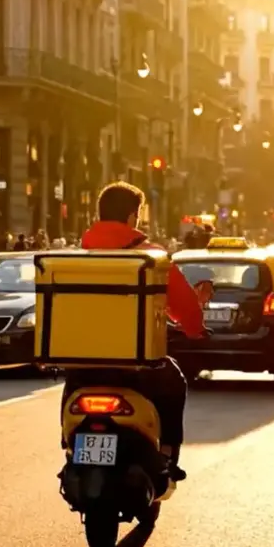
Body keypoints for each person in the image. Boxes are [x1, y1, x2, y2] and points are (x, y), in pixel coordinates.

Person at [63, 182, 206, 482]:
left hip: (85, 362)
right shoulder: (151, 257)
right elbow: (184, 306)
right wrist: (193, 330)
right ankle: (167, 456)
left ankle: (68, 444)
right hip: (138, 367)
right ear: (131, 217)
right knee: (175, 382)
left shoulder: (76, 257)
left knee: (73, 381)